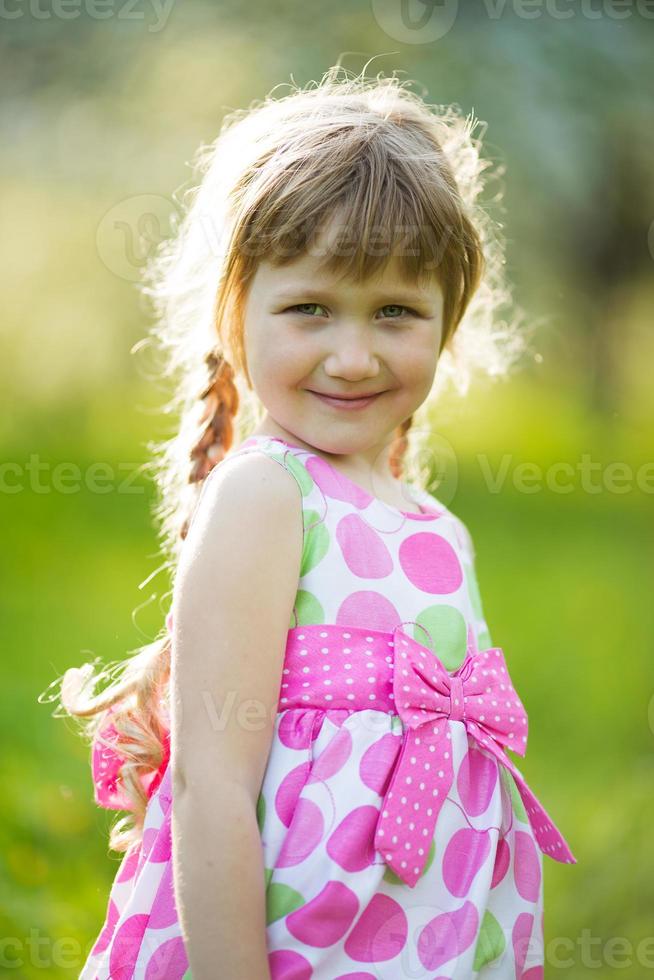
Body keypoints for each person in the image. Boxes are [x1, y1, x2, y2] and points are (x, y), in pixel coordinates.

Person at [52, 66, 577, 979]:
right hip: (288, 947)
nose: (353, 354)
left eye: (397, 312)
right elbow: (210, 784)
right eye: (309, 309)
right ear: (234, 311)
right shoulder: (268, 496)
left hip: (423, 942)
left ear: (448, 318)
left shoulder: (440, 529)